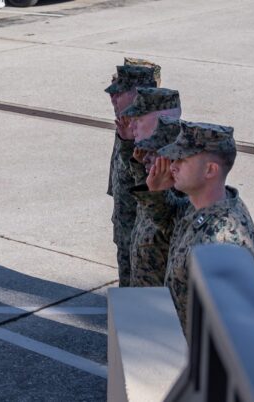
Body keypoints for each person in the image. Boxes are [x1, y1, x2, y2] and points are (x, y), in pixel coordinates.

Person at [138, 121, 254, 333]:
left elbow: (229, 332)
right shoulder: (200, 204)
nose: (172, 165)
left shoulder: (222, 243)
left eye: (182, 160)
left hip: (194, 357)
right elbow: (171, 223)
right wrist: (156, 193)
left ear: (210, 170)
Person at [104, 63, 158, 286]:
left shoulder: (152, 134)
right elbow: (117, 174)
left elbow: (149, 186)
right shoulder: (126, 128)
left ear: (138, 94)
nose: (112, 98)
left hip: (145, 240)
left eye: (119, 92)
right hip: (125, 228)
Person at [128, 116, 182, 286]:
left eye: (153, 153)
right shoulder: (157, 193)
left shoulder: (181, 203)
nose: (145, 158)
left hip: (159, 304)